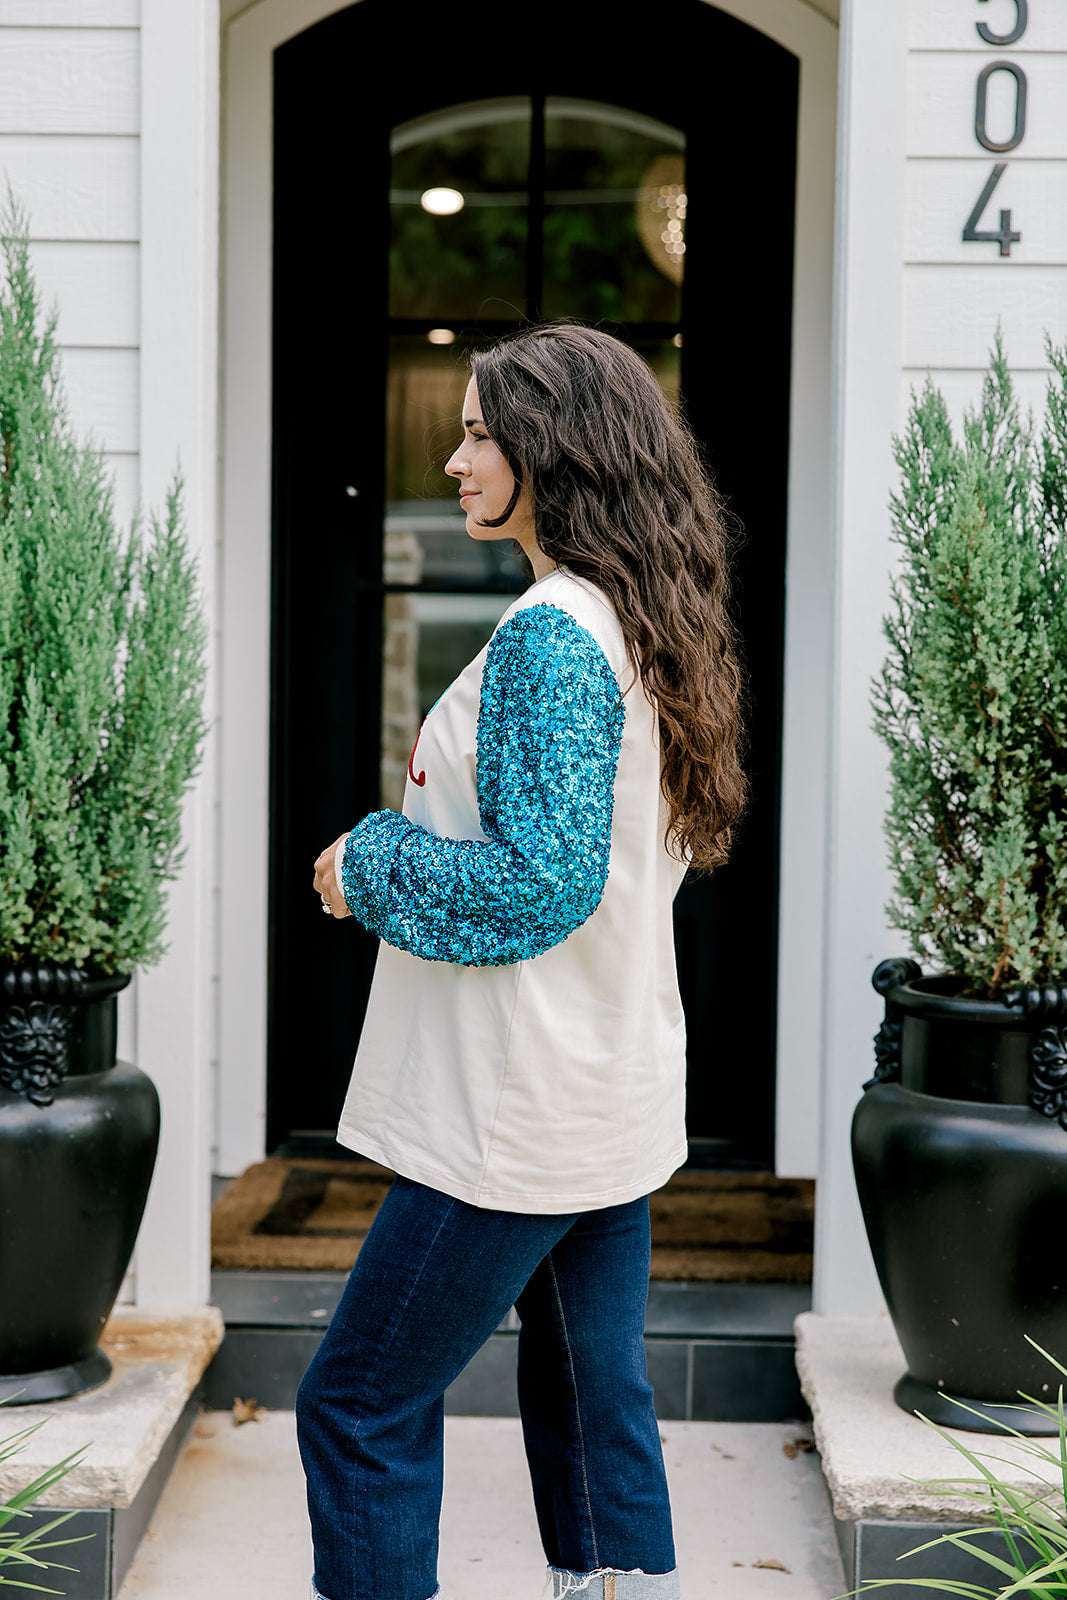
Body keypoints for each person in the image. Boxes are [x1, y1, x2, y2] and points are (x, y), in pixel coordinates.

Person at [299, 322, 746, 1600]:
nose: (452, 458)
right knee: (590, 1398)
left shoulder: (557, 633)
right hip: (600, 1088)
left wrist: (367, 863)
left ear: (551, 449)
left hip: (514, 1107)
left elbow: (534, 888)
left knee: (357, 1404)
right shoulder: (640, 617)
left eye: (481, 433)